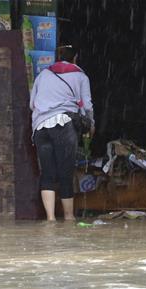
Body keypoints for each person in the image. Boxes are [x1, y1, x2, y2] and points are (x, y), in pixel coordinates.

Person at [29, 45, 94, 221]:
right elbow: (87, 105)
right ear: (75, 58)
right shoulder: (80, 76)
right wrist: (91, 124)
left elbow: (32, 104)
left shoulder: (42, 75)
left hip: (41, 128)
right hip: (63, 125)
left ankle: (50, 219)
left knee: (48, 174)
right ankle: (68, 217)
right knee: (65, 172)